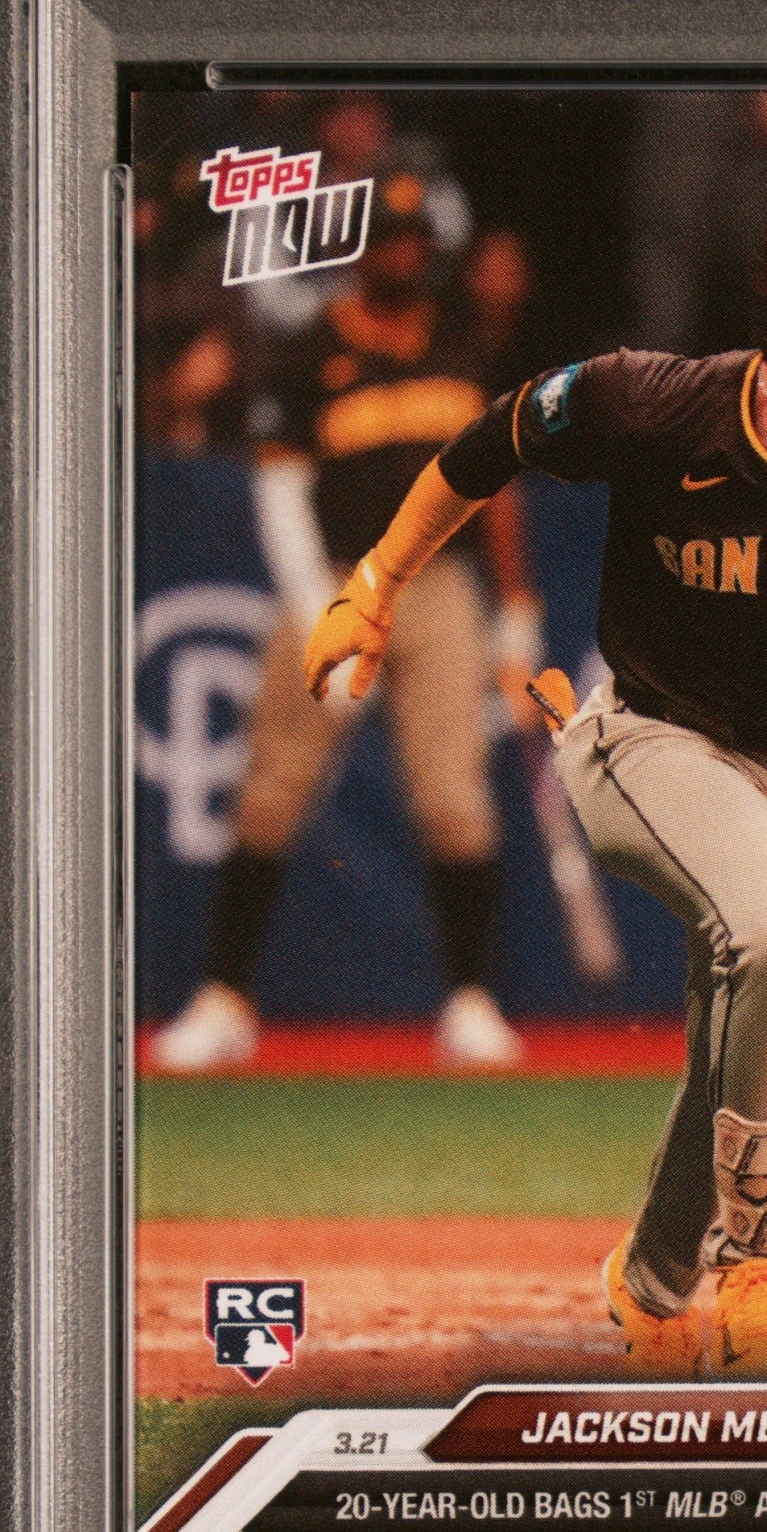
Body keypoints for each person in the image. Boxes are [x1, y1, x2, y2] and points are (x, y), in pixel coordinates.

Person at [302, 190, 767, 1374]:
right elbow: (491, 441)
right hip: (647, 741)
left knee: (744, 1037)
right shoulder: (656, 400)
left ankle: (653, 1280)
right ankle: (763, 1257)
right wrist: (377, 579)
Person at [153, 193, 543, 1075]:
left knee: (454, 799)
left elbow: (499, 485)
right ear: (363, 250)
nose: (402, 254)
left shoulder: (462, 343)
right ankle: (224, 999)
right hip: (336, 574)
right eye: (388, 239)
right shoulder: (311, 347)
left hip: (439, 584)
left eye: (414, 239)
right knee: (270, 789)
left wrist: (519, 607)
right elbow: (280, 483)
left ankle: (470, 1002)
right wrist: (314, 603)